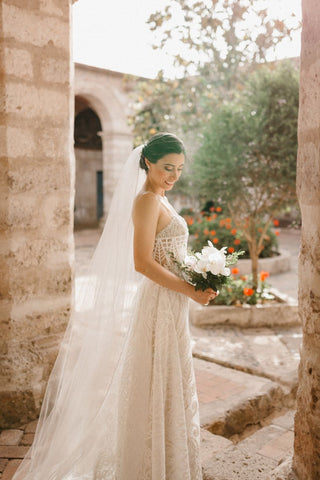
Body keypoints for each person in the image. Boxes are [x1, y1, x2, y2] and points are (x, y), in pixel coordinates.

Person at [13, 132, 217, 480]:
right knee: (156, 378)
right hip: (159, 305)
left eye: (179, 169)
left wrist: (200, 274)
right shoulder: (147, 201)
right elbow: (142, 262)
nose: (173, 175)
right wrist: (189, 288)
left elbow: (168, 254)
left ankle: (169, 459)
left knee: (170, 379)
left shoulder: (162, 198)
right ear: (148, 162)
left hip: (174, 303)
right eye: (167, 167)